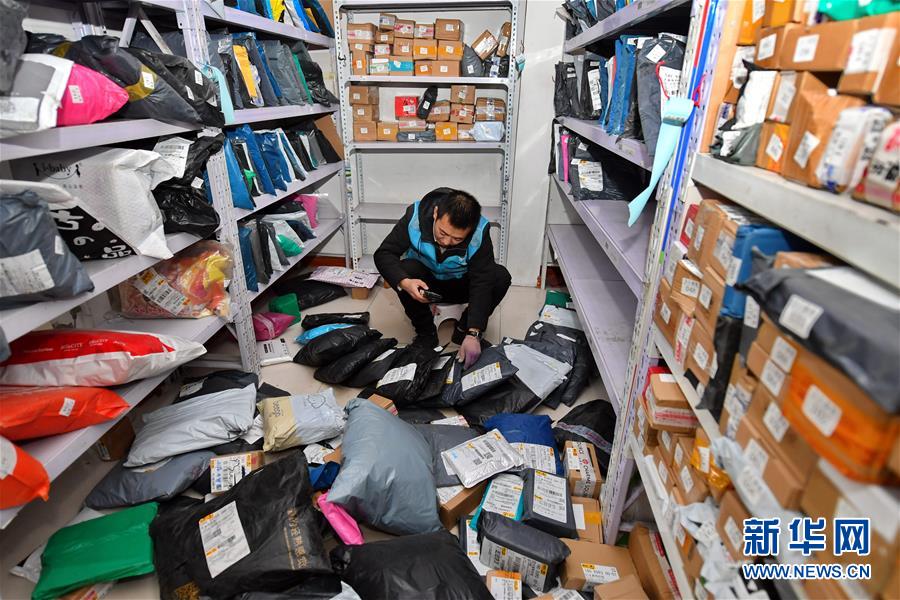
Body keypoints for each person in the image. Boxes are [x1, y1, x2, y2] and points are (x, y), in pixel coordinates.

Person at [374, 187, 512, 368]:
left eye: (457, 239)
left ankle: (462, 330)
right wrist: (405, 283)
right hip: (425, 285)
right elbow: (384, 253)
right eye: (443, 233)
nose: (446, 242)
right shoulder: (415, 217)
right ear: (436, 213)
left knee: (499, 276)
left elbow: (482, 279)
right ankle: (426, 334)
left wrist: (474, 332)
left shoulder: (479, 230)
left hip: (460, 285)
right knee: (405, 269)